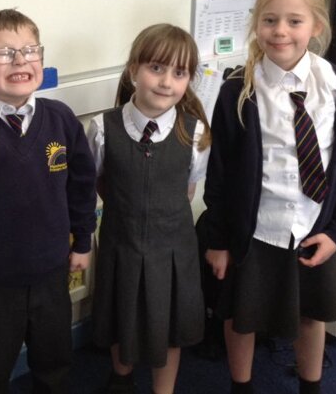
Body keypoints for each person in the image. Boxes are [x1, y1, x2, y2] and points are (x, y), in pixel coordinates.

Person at [202, 0, 336, 394]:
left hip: (315, 228)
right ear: (256, 24)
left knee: (310, 315)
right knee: (240, 316)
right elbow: (219, 174)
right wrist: (218, 240)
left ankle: (310, 387)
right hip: (255, 231)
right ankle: (241, 386)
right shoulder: (237, 91)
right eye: (269, 20)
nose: (280, 31)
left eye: (294, 21)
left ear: (316, 26)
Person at [0, 9, 98, 394]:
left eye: (30, 50)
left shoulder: (61, 119)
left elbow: (81, 185)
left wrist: (83, 239)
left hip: (51, 273)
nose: (21, 60)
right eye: (4, 53)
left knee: (55, 363)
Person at [88, 24, 212, 394]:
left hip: (173, 249)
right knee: (119, 314)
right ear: (133, 70)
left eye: (179, 73)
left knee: (169, 326)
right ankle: (121, 378)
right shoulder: (102, 129)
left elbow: (187, 189)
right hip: (120, 244)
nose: (166, 82)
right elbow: (98, 181)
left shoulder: (196, 134)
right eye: (156, 68)